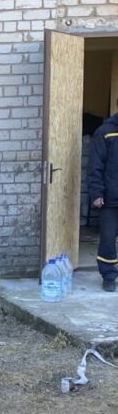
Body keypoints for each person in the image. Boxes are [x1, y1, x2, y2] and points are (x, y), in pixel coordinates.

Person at [87, 99, 118, 292]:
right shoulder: (105, 132)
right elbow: (95, 165)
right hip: (110, 198)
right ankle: (109, 276)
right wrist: (96, 193)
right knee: (108, 238)